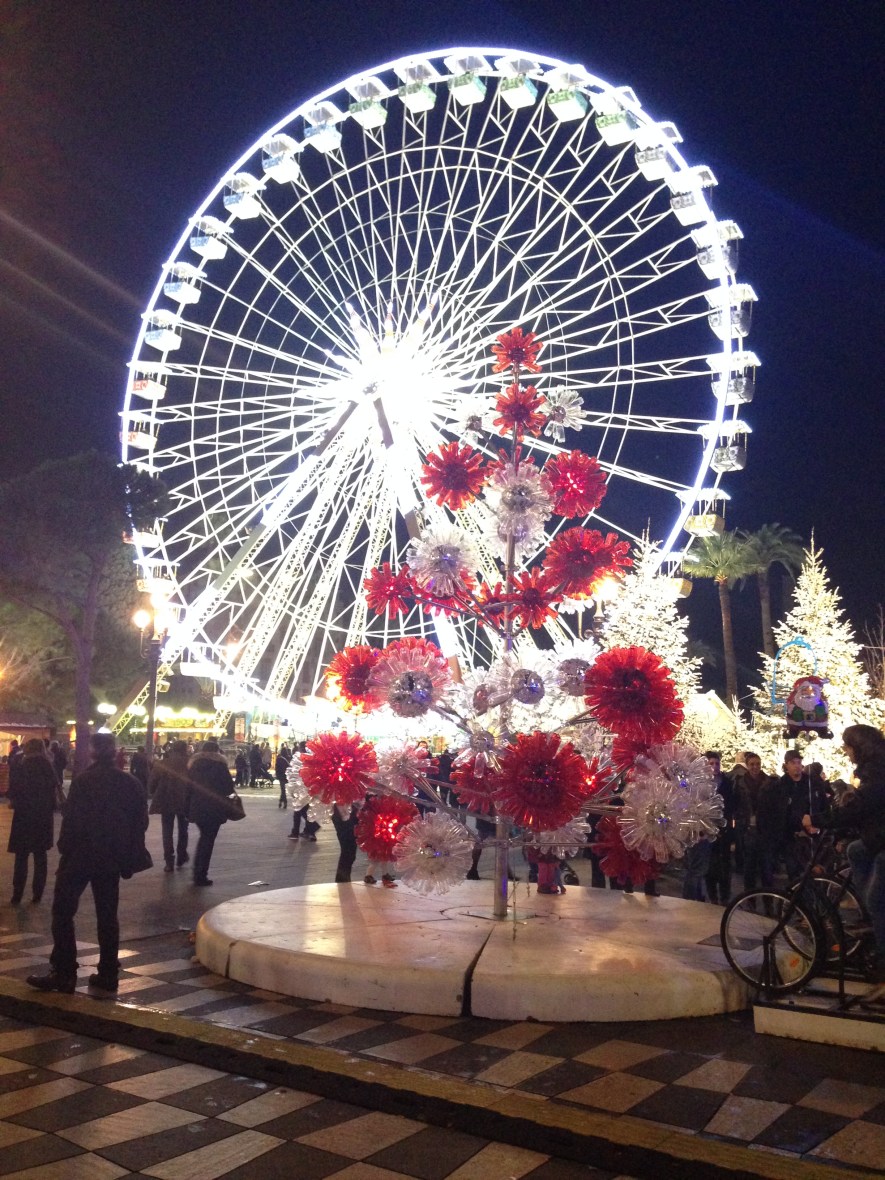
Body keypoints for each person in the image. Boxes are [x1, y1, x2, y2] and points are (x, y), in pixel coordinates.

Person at [27, 733, 148, 993]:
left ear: (92, 751)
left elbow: (73, 821)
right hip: (111, 856)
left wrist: (65, 849)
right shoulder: (130, 782)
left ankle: (64, 971)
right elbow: (140, 821)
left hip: (82, 854)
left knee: (63, 911)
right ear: (114, 751)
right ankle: (108, 972)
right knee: (107, 915)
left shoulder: (84, 781)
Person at [829, 724, 885, 983]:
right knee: (856, 850)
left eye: (848, 746)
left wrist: (819, 820)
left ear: (859, 748)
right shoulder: (873, 770)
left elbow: (863, 807)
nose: (846, 751)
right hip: (879, 837)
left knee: (877, 898)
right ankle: (871, 916)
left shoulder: (878, 772)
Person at [7, 738, 59, 905]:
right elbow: (53, 791)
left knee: (21, 857)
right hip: (42, 817)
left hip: (24, 815)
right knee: (40, 856)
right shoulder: (48, 766)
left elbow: (13, 790)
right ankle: (38, 893)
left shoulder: (21, 765)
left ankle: (17, 893)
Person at [188, 740, 234, 886]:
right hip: (215, 807)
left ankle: (197, 871)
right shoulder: (220, 765)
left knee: (204, 837)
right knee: (208, 839)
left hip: (197, 806)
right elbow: (228, 787)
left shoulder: (194, 765)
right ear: (217, 751)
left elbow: (188, 786)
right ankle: (201, 873)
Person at [148, 739, 191, 872]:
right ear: (185, 749)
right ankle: (181, 855)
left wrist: (153, 792)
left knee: (167, 830)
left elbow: (152, 782)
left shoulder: (163, 763)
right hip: (184, 800)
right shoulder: (190, 763)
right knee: (183, 829)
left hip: (166, 799)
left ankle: (169, 860)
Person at [736, 752, 775, 890]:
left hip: (765, 830)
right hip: (748, 830)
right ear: (747, 765)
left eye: (757, 764)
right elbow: (737, 805)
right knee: (749, 868)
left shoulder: (769, 783)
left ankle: (767, 897)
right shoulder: (740, 783)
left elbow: (774, 807)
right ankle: (750, 897)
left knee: (766, 869)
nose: (755, 767)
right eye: (752, 764)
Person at [330, 801, 359, 882]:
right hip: (342, 812)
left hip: (349, 811)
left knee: (350, 851)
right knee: (348, 850)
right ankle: (342, 880)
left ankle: (343, 879)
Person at [275, 744, 292, 808]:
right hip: (286, 775)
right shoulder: (288, 758)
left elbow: (277, 767)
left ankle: (284, 802)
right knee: (283, 790)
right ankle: (281, 801)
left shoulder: (279, 758)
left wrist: (277, 774)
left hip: (281, 775)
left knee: (283, 789)